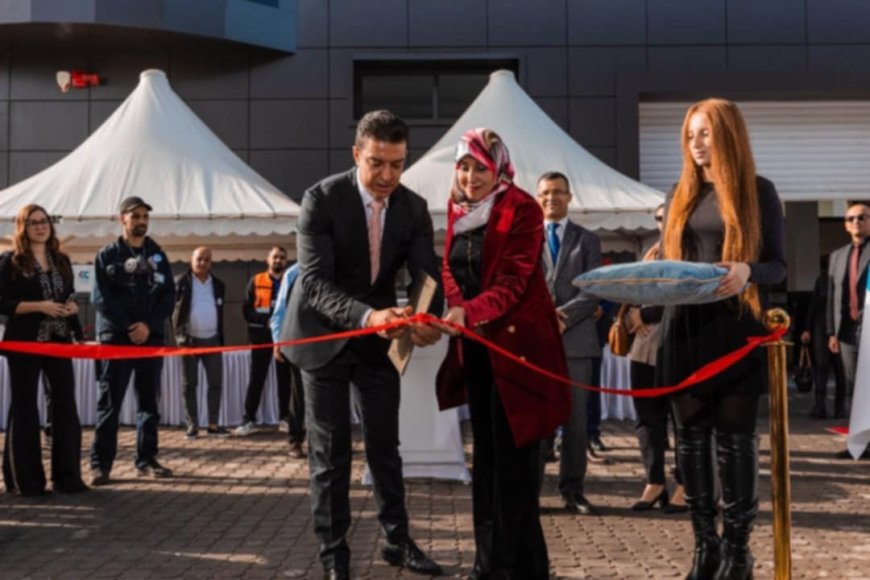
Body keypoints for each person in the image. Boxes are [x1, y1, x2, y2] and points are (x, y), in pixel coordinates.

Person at [282, 110, 443, 580]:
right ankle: (336, 557)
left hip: (380, 339)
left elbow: (426, 275)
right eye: (377, 163)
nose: (388, 176)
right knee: (330, 453)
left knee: (385, 447)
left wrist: (425, 316)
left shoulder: (412, 208)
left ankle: (396, 541)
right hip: (323, 337)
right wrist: (370, 316)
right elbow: (313, 284)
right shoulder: (321, 199)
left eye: (397, 164)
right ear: (357, 155)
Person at [659, 99, 786, 580]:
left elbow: (779, 265)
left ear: (728, 135)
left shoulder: (760, 192)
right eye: (691, 134)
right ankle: (703, 549)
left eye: (706, 133)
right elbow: (669, 265)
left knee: (735, 445)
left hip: (736, 331)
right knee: (690, 444)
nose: (696, 143)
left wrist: (748, 270)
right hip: (683, 331)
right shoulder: (679, 193)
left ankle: (737, 552)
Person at [436, 129, 571, 580]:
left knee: (515, 467)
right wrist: (457, 306)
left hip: (519, 352)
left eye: (479, 167)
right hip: (477, 349)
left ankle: (502, 566)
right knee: (488, 463)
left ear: (498, 168)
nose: (470, 176)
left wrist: (465, 312)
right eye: (464, 166)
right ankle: (506, 564)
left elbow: (513, 283)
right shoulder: (458, 210)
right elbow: (449, 270)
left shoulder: (523, 208)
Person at [0, 204, 87, 496]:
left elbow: (67, 296)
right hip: (25, 341)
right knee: (25, 408)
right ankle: (27, 481)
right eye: (34, 222)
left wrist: (72, 309)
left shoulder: (61, 260)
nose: (40, 226)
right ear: (23, 228)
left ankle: (68, 478)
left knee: (65, 405)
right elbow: (3, 304)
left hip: (59, 341)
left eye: (44, 221)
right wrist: (39, 307)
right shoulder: (10, 262)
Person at [90, 196, 177, 486]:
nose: (141, 221)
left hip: (150, 339)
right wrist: (129, 326)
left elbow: (168, 297)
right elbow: (101, 298)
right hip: (116, 339)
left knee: (149, 402)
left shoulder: (158, 255)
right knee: (110, 404)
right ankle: (101, 466)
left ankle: (146, 459)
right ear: (122, 219)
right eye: (135, 216)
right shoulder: (107, 255)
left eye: (144, 217)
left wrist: (147, 326)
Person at [536, 170, 601, 515]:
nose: (552, 198)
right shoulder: (526, 239)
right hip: (537, 346)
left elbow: (593, 290)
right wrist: (544, 321)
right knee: (539, 422)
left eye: (558, 192)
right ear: (537, 197)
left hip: (576, 343)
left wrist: (560, 317)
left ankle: (573, 491)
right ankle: (531, 493)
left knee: (575, 423)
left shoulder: (587, 240)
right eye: (546, 192)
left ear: (570, 197)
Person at [625, 204, 686, 513]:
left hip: (678, 345)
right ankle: (655, 481)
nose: (665, 223)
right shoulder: (650, 254)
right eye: (660, 218)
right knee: (647, 420)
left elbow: (680, 299)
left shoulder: (691, 253)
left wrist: (644, 312)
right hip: (642, 347)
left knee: (681, 419)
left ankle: (686, 484)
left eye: (671, 217)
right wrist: (633, 312)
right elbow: (632, 295)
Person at [235, 246, 297, 444]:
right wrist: (265, 322)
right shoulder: (256, 281)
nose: (278, 260)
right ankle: (248, 419)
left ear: (286, 261)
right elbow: (246, 309)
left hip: (285, 337)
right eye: (275, 257)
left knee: (284, 379)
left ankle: (284, 418)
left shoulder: (291, 282)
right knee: (257, 378)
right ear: (267, 259)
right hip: (260, 337)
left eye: (282, 257)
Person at [173, 246, 229, 439]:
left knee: (215, 383)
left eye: (207, 260)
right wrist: (178, 334)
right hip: (188, 341)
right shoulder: (180, 282)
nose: (203, 263)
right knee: (189, 384)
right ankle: (192, 425)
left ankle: (213, 425)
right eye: (199, 259)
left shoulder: (219, 284)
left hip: (213, 340)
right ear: (191, 260)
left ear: (211, 262)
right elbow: (171, 311)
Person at [826, 202, 870, 422]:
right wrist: (831, 332)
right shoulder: (837, 256)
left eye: (862, 217)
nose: (856, 222)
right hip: (847, 331)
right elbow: (832, 297)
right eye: (851, 218)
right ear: (845, 225)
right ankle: (861, 442)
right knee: (854, 387)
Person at [269, 263, 306, 459]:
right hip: (299, 342)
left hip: (328, 342)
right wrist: (278, 342)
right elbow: (280, 311)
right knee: (298, 393)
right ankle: (296, 440)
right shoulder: (293, 273)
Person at [800, 261, 846, 419]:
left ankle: (823, 408)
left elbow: (813, 305)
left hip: (825, 329)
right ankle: (835, 409)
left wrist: (807, 328)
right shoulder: (842, 280)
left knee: (825, 370)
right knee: (837, 371)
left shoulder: (823, 280)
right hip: (836, 330)